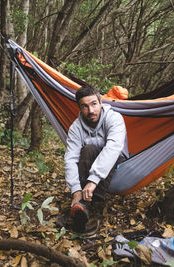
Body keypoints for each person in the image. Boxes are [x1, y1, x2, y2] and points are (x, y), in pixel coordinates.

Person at [63, 84, 128, 233]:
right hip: (91, 160)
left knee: (109, 152)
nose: (91, 110)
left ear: (101, 102)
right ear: (79, 108)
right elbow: (71, 158)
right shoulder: (76, 128)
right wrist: (76, 190)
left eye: (94, 104)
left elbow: (113, 147)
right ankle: (81, 204)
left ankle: (93, 206)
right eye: (85, 106)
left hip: (119, 161)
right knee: (88, 149)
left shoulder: (114, 118)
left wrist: (92, 181)